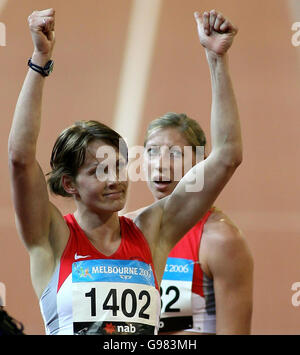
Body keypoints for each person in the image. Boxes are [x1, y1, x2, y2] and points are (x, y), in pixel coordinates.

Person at [8, 8, 242, 335]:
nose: (116, 179)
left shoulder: (151, 231)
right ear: (69, 183)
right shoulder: (52, 238)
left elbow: (227, 156)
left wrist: (217, 60)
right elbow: (20, 158)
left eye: (119, 165)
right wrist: (39, 60)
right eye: (99, 171)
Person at [126, 11, 253, 335]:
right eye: (152, 152)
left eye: (175, 154)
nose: (160, 163)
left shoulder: (220, 241)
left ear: (200, 163)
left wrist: (216, 58)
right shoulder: (130, 228)